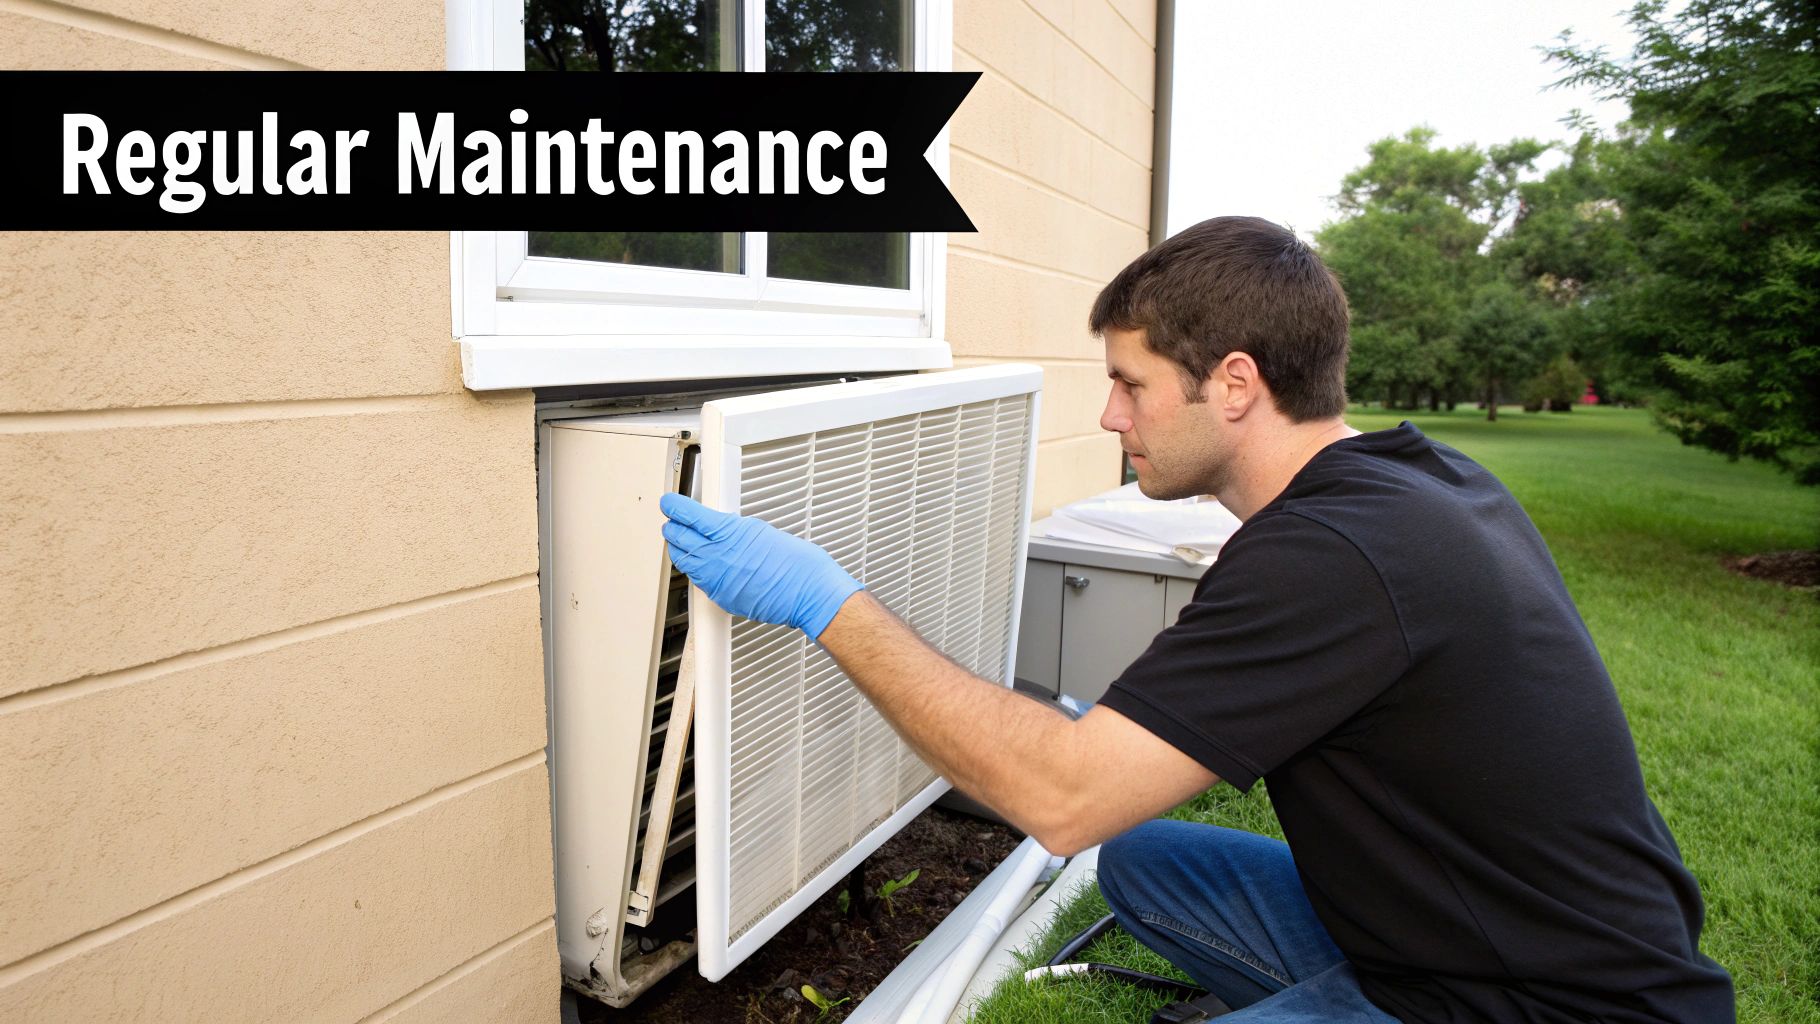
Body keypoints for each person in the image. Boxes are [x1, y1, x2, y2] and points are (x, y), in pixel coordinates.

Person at [659, 216, 1734, 1022]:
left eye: (1129, 384)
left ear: (1232, 383)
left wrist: (826, 602)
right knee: (1140, 861)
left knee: (1093, 821)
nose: (1107, 414)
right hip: (1467, 925)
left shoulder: (1327, 556)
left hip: (1552, 1003)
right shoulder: (1410, 482)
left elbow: (1058, 799)